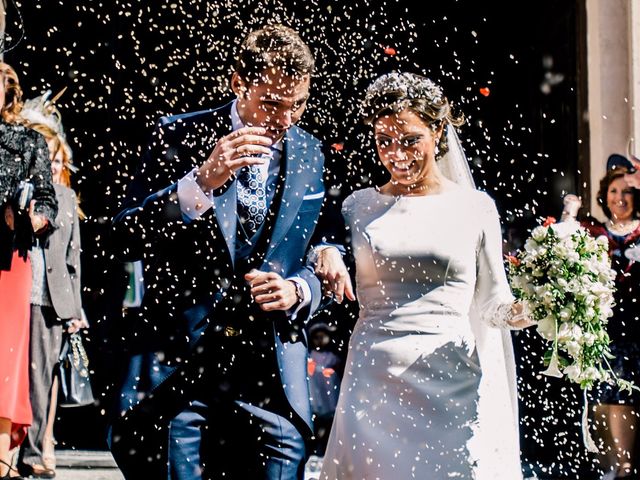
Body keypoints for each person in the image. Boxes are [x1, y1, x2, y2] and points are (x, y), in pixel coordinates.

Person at [109, 24, 343, 479]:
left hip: (271, 378)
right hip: (181, 375)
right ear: (238, 82)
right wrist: (200, 184)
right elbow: (122, 236)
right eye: (272, 103)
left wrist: (302, 287)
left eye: (298, 104)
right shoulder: (178, 135)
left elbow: (324, 239)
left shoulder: (312, 152)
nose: (286, 120)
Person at [316, 72, 533, 480]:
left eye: (410, 139)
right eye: (384, 141)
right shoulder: (355, 207)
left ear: (437, 130)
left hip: (451, 382)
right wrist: (324, 252)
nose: (396, 153)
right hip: (373, 383)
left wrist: (536, 307)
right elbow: (319, 251)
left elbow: (492, 304)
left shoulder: (476, 207)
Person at [16, 93, 87, 479]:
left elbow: (72, 262)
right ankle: (15, 450)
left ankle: (35, 450)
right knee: (15, 374)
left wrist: (76, 311)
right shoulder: (19, 191)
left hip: (50, 301)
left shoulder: (64, 197)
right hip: (17, 294)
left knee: (42, 377)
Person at [564, 161, 640, 479]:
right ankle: (609, 467)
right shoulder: (592, 233)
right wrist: (569, 212)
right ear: (604, 195)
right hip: (600, 329)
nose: (619, 198)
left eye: (627, 191)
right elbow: (562, 243)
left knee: (623, 396)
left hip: (634, 329)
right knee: (600, 398)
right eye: (613, 191)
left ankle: (624, 467)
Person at [0, 62, 57, 479]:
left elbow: (47, 200)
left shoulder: (27, 142)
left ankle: (2, 456)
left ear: (9, 93)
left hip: (9, 259)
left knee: (5, 357)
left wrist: (33, 217)